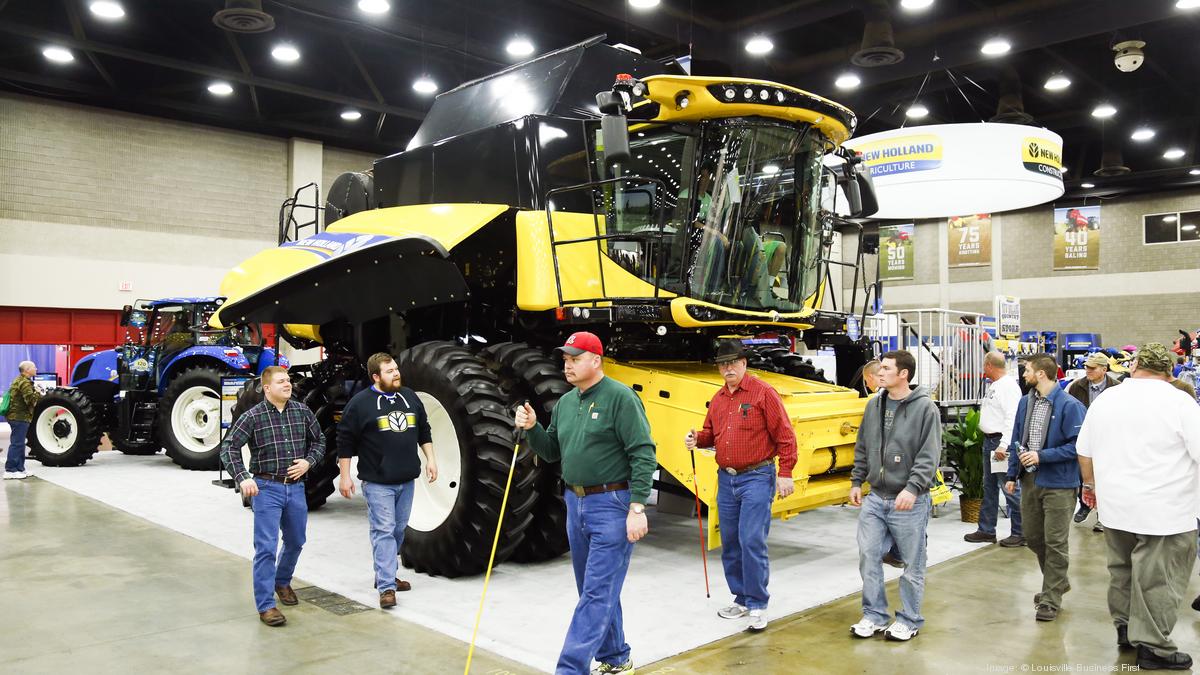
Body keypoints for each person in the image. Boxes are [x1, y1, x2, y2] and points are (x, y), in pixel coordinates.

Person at [514, 332, 656, 675]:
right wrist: (533, 428)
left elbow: (643, 453)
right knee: (594, 590)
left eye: (575, 359)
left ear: (596, 360)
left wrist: (638, 507)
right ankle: (617, 657)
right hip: (575, 504)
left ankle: (570, 669)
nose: (568, 365)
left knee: (595, 593)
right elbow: (550, 451)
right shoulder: (566, 403)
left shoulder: (620, 398)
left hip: (612, 504)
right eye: (565, 360)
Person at [1077, 342, 1200, 670]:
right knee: (1160, 577)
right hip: (1165, 510)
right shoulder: (1180, 402)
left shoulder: (1106, 399)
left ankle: (1125, 629)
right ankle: (1154, 647)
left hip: (1116, 506)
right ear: (1170, 371)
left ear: (1133, 367)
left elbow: (1084, 450)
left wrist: (1090, 487)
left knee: (1122, 570)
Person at [684, 339, 797, 632]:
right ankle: (742, 598)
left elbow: (786, 436)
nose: (728, 368)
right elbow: (712, 433)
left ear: (744, 363)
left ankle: (758, 603)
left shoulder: (763, 393)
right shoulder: (720, 398)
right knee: (731, 542)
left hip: (757, 477)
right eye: (723, 364)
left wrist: (786, 472)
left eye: (733, 362)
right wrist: (698, 437)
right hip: (727, 478)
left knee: (751, 540)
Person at [219, 366, 325, 627]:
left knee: (296, 540)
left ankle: (282, 581)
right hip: (266, 488)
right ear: (267, 388)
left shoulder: (302, 412)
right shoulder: (253, 416)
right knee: (266, 548)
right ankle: (266, 605)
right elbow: (229, 448)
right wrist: (243, 477)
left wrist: (308, 463)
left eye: (288, 381)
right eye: (281, 382)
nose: (288, 385)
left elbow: (319, 441)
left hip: (296, 487)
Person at [848, 350, 941, 642]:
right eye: (880, 369)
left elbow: (929, 455)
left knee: (913, 563)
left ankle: (910, 619)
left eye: (886, 368)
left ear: (904, 374)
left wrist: (913, 488)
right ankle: (874, 615)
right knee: (868, 555)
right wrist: (856, 481)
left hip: (909, 501)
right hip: (876, 497)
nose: (880, 373)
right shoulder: (874, 405)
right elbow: (863, 446)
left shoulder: (925, 408)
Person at [336, 353, 437, 609]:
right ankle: (387, 588)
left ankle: (386, 573)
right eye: (390, 371)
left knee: (397, 530)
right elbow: (345, 442)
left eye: (396, 369)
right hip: (378, 482)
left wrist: (431, 460)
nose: (396, 373)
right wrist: (345, 476)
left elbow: (423, 430)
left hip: (407, 480)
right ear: (376, 377)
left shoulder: (410, 397)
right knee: (383, 531)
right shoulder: (360, 404)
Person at [1004, 354, 1086, 623]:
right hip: (1030, 481)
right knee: (1034, 537)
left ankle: (1051, 598)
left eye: (1027, 369)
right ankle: (1058, 581)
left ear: (1041, 373)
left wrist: (1042, 456)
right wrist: (1012, 474)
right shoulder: (1025, 402)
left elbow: (1078, 446)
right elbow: (1018, 438)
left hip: (1060, 484)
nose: (1023, 373)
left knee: (1056, 542)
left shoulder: (1070, 405)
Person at [964, 351, 1024, 547]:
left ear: (989, 365)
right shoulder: (997, 386)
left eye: (984, 365)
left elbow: (1012, 417)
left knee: (1009, 488)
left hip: (999, 443)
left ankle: (1021, 532)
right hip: (990, 442)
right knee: (989, 488)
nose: (983, 369)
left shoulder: (1007, 387)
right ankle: (986, 530)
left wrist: (1004, 444)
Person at [1065, 352, 1121, 529]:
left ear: (1104, 369)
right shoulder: (1076, 386)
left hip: (1108, 437)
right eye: (1086, 367)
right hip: (1084, 434)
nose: (1087, 370)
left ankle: (1103, 516)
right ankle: (1085, 505)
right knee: (1084, 472)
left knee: (1106, 474)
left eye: (1092, 368)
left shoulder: (1117, 388)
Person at [4, 361, 41, 479]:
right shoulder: (24, 383)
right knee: (17, 443)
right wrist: (38, 392)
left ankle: (20, 468)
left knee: (20, 443)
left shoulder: (19, 380)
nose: (36, 368)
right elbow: (30, 400)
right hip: (19, 417)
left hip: (18, 416)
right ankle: (10, 470)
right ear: (27, 370)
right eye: (34, 367)